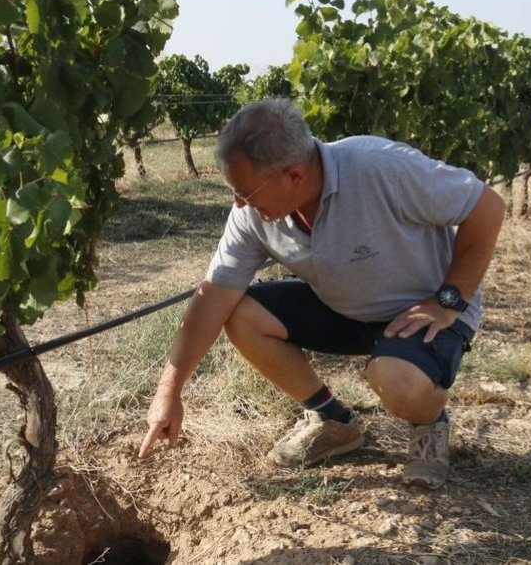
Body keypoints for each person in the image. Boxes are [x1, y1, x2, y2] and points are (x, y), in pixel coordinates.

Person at [137, 98, 505, 489]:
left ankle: (429, 426)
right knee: (242, 314)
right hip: (343, 307)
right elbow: (214, 295)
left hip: (424, 314)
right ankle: (333, 421)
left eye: (245, 191)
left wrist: (449, 300)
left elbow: (486, 206)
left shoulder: (382, 168)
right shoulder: (251, 214)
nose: (238, 202)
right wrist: (169, 391)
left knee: (398, 381)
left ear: (294, 176)